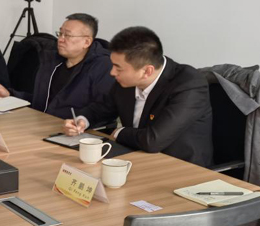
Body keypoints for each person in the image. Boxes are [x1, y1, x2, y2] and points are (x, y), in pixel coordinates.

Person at [64, 26, 214, 167]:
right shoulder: (127, 79)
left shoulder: (189, 85)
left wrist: (119, 132)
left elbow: (153, 140)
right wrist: (82, 120)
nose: (112, 72)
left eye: (118, 68)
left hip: (180, 168)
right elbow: (103, 107)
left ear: (147, 72)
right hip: (134, 157)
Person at [0, 13, 113, 119]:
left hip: (76, 131)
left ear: (86, 42)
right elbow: (43, 102)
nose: (60, 39)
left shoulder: (103, 66)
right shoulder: (53, 61)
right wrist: (10, 94)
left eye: (67, 35)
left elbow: (104, 109)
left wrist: (80, 122)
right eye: (60, 33)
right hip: (43, 122)